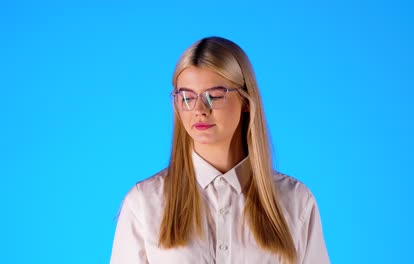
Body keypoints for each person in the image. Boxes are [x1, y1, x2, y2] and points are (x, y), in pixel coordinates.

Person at [110, 36, 330, 264]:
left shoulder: (296, 202)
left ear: (246, 101)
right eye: (186, 97)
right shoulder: (144, 204)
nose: (199, 110)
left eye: (214, 96)